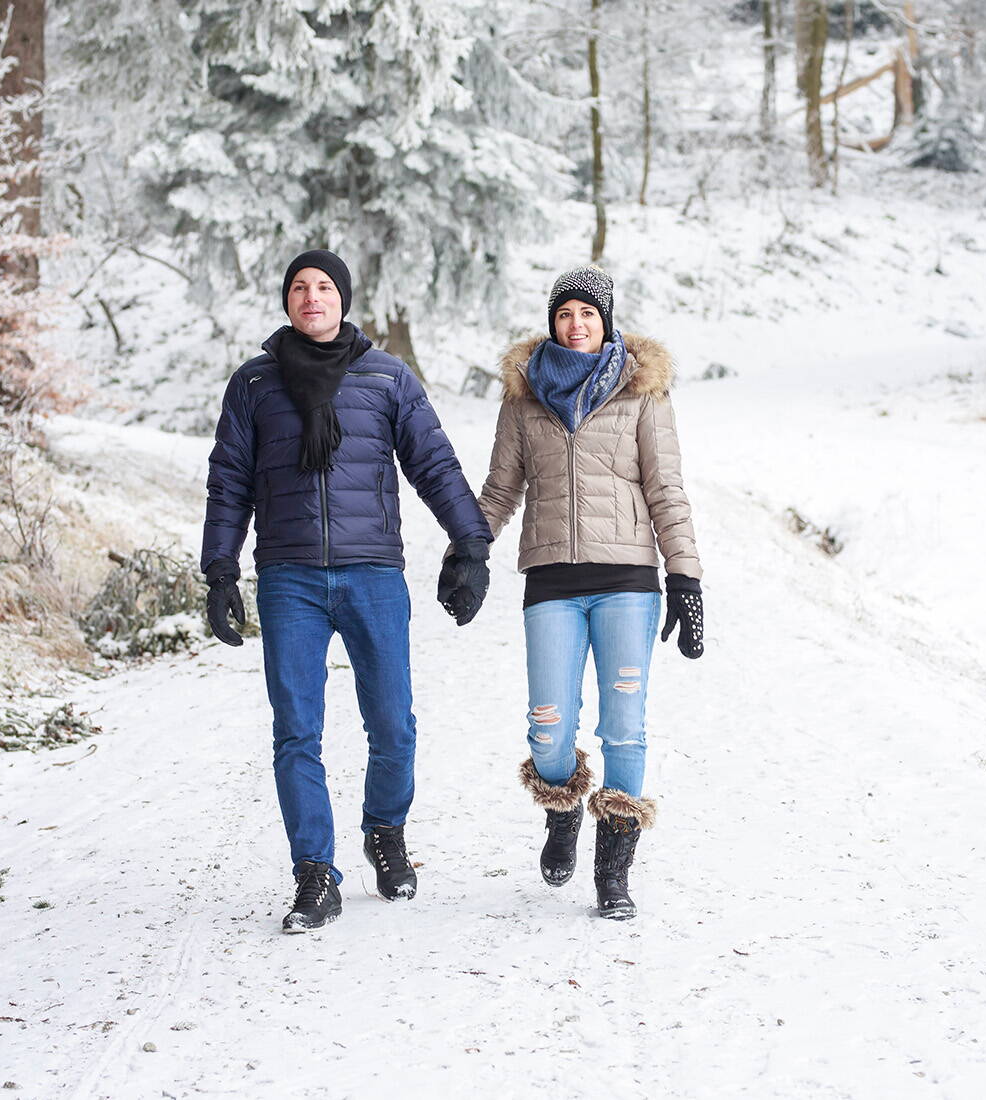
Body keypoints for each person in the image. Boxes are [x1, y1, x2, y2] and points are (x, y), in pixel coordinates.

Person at [202, 249, 493, 933]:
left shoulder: (388, 378)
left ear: (344, 298)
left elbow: (434, 462)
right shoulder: (254, 385)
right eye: (299, 287)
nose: (312, 297)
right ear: (286, 301)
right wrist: (220, 569)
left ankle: (385, 833)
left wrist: (470, 544)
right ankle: (314, 873)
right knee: (296, 731)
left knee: (393, 725)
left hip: (372, 575)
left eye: (324, 286)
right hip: (289, 577)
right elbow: (229, 482)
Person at [467, 265, 704, 920]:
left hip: (627, 580)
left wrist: (685, 575)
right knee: (550, 726)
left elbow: (667, 492)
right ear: (552, 322)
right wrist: (469, 550)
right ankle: (563, 809)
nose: (576, 325)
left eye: (588, 315)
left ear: (607, 322)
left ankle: (613, 870)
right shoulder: (523, 398)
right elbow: (498, 490)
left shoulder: (642, 395)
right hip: (551, 582)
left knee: (624, 727)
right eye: (565, 314)